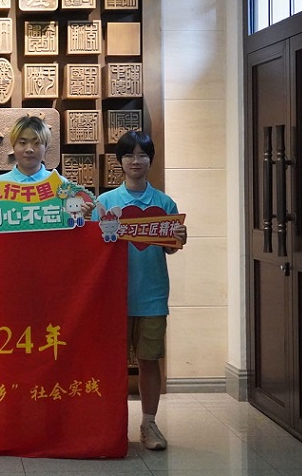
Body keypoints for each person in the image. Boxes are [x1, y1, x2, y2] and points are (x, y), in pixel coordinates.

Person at [91, 130, 187, 451]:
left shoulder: (164, 203)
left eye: (142, 154)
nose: (136, 161)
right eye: (129, 155)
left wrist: (179, 238)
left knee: (149, 361)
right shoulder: (105, 203)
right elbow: (91, 249)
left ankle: (149, 424)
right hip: (113, 299)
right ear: (119, 161)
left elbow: (170, 247)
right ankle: (112, 424)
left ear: (150, 160)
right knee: (112, 364)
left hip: (152, 296)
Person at [0, 115, 92, 227]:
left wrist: (79, 216)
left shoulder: (61, 185)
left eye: (36, 143)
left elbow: (70, 228)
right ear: (13, 146)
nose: (29, 149)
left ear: (46, 147)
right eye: (22, 143)